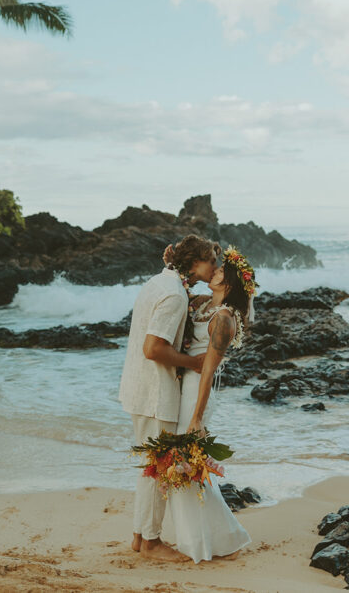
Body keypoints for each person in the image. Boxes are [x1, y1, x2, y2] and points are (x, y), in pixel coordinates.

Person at [118, 234, 220, 561]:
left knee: (150, 465)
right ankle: (150, 542)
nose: (216, 267)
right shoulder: (175, 294)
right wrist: (195, 363)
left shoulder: (160, 282)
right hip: (154, 391)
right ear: (194, 263)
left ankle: (140, 537)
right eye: (211, 260)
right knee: (158, 467)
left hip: (137, 386)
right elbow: (153, 349)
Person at [162, 245, 255, 563]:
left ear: (227, 283)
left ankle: (208, 540)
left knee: (187, 463)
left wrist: (197, 419)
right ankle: (210, 538)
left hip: (197, 393)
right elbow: (178, 294)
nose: (213, 271)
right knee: (183, 462)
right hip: (185, 385)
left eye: (219, 271)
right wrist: (172, 266)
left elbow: (207, 373)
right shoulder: (203, 304)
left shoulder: (224, 320)